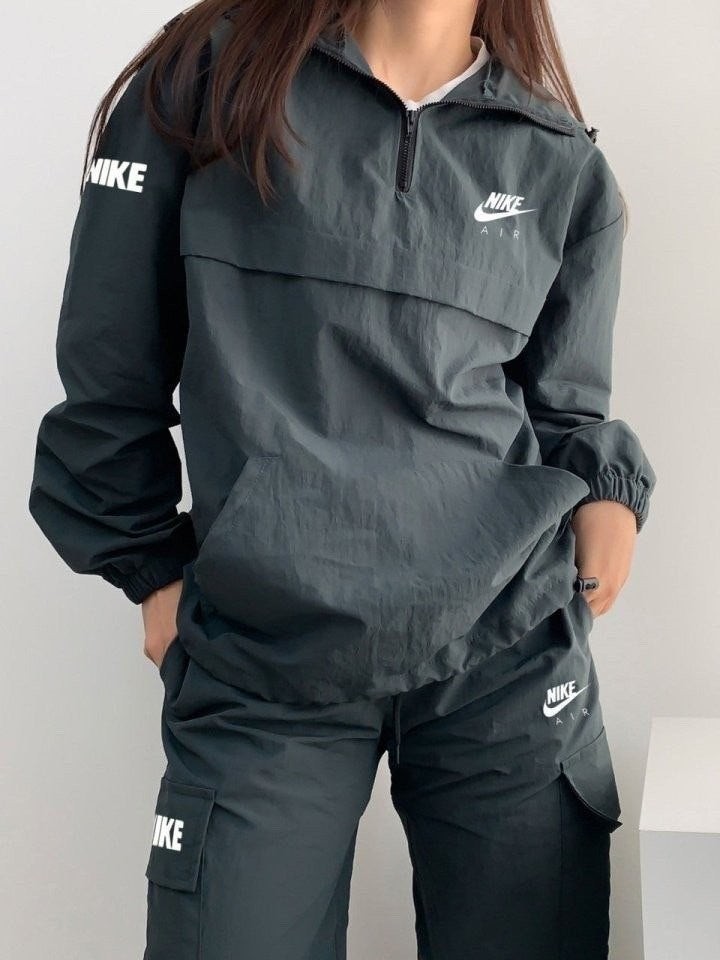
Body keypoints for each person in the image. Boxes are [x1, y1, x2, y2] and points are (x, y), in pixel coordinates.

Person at [28, 1, 657, 957]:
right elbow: (109, 357)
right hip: (262, 654)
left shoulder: (560, 163)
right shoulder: (206, 84)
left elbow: (564, 410)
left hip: (507, 651)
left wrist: (608, 493)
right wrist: (148, 566)